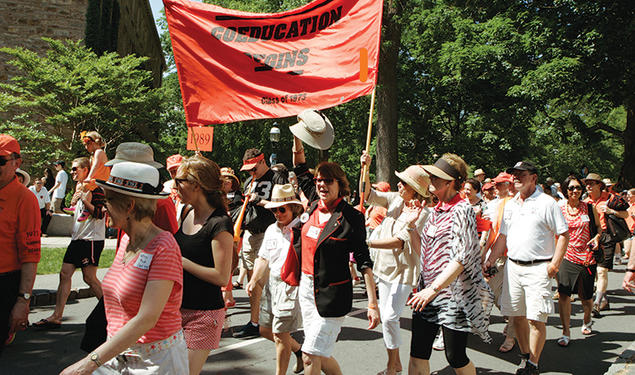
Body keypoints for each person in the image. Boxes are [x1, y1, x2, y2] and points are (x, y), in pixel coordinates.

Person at [60, 161, 186, 374]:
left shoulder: (164, 247)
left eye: (108, 200)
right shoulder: (127, 240)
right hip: (118, 356)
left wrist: (88, 364)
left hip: (154, 363)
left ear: (129, 206)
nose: (103, 206)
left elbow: (147, 318)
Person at [289, 160, 380, 375]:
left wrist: (373, 304)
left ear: (340, 184)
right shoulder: (312, 204)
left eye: (328, 181)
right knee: (320, 355)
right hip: (307, 290)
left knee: (309, 355)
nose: (321, 185)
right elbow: (300, 166)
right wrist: (300, 130)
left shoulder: (352, 218)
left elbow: (364, 261)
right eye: (318, 180)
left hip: (332, 296)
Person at [407, 154, 492, 375]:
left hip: (453, 295)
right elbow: (424, 253)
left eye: (437, 177)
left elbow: (461, 258)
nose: (431, 180)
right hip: (427, 291)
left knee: (455, 357)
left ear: (451, 182)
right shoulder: (436, 210)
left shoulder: (462, 210)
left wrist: (433, 290)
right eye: (432, 176)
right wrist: (410, 228)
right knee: (417, 354)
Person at [483, 161, 569, 375]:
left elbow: (563, 235)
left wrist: (554, 265)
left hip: (538, 268)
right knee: (517, 316)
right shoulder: (510, 204)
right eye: (514, 175)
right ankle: (525, 355)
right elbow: (502, 237)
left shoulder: (547, 203)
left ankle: (533, 363)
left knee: (536, 318)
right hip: (513, 267)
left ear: (534, 178)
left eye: (522, 174)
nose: (517, 178)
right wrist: (490, 260)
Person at [360, 151, 431, 375]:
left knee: (390, 317)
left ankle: (395, 365)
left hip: (405, 270)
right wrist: (365, 168)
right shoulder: (394, 199)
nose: (398, 186)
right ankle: (394, 363)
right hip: (384, 267)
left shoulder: (423, 213)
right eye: (399, 182)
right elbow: (367, 194)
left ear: (415, 189)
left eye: (403, 183)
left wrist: (367, 244)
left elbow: (400, 242)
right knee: (387, 319)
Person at [173, 155, 234, 375]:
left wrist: (182, 262)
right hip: (175, 309)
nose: (174, 185)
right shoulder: (187, 212)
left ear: (196, 185)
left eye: (179, 180)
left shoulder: (219, 223)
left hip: (204, 315)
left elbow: (221, 276)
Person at [34, 157, 106, 329]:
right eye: (72, 169)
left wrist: (85, 199)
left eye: (76, 169)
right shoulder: (79, 188)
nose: (72, 172)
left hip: (91, 240)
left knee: (89, 278)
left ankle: (111, 311)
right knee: (64, 274)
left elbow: (100, 214)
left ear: (86, 170)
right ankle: (56, 316)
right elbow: (79, 213)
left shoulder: (96, 189)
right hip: (77, 239)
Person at [246, 184, 305, 375]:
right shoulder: (271, 229)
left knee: (280, 335)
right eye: (274, 210)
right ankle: (300, 351)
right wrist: (253, 280)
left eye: (282, 209)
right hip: (272, 284)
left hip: (290, 287)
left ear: (294, 208)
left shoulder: (302, 230)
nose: (278, 213)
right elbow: (263, 258)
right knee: (264, 330)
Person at [233, 148, 285, 338]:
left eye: (253, 169)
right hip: (249, 233)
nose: (250, 173)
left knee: (265, 280)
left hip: (269, 233)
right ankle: (255, 321)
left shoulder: (277, 178)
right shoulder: (249, 181)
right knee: (251, 282)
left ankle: (267, 321)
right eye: (248, 170)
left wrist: (260, 201)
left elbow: (283, 206)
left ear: (263, 162)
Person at [0, 134, 41, 355]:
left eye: (0, 161)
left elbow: (30, 254)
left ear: (17, 163)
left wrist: (23, 301)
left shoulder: (25, 199)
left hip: (5, 282)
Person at [555, 176, 602, 347]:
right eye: (572, 188)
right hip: (566, 256)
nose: (575, 191)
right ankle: (565, 331)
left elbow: (599, 227)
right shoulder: (559, 208)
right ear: (566, 190)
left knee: (586, 297)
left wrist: (597, 237)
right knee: (564, 294)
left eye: (578, 188)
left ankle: (587, 319)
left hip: (587, 257)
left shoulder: (589, 208)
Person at [583, 173, 629, 316]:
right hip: (590, 239)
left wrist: (611, 211)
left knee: (601, 271)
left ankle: (596, 303)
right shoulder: (585, 201)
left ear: (600, 185)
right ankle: (603, 298)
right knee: (594, 271)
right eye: (587, 183)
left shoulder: (611, 198)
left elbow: (626, 215)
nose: (588, 186)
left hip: (607, 237)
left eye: (592, 183)